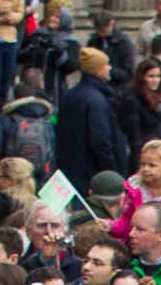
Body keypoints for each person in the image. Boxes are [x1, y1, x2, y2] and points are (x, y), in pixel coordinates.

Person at [54, 48, 127, 195]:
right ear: (97, 70)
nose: (110, 68)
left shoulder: (70, 95)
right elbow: (100, 140)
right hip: (91, 173)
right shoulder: (96, 100)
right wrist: (111, 170)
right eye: (106, 65)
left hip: (71, 168)